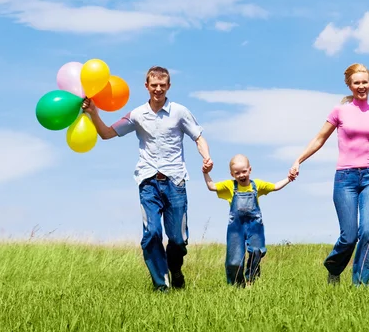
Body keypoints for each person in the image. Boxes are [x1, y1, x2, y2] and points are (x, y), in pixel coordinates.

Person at [82, 66, 213, 292]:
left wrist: (207, 157)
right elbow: (106, 134)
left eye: (162, 85)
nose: (158, 89)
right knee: (152, 233)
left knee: (178, 240)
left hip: (175, 182)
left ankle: (176, 270)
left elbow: (198, 136)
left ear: (168, 86)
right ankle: (161, 287)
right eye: (154, 85)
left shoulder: (180, 112)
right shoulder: (137, 115)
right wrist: (94, 113)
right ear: (147, 86)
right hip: (148, 182)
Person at [288, 63, 369, 286]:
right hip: (345, 179)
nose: (361, 86)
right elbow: (319, 139)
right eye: (357, 83)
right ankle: (334, 268)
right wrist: (298, 160)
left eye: (365, 82)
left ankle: (362, 288)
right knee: (349, 236)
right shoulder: (339, 111)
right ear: (350, 85)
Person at [202, 154, 294, 287]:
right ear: (232, 174)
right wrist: (206, 173)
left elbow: (275, 187)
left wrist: (289, 179)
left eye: (244, 171)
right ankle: (237, 286)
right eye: (237, 173)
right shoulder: (229, 186)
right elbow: (212, 187)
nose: (241, 175)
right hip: (236, 228)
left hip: (254, 226)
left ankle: (251, 280)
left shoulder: (257, 185)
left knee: (257, 251)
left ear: (250, 170)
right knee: (234, 260)